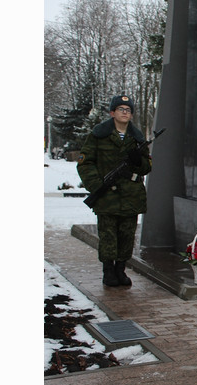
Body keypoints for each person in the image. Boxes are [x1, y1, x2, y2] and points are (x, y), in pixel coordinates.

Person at [77, 95, 152, 287]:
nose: (125, 113)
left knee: (127, 236)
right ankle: (108, 271)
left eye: (128, 110)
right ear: (112, 113)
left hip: (130, 196)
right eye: (121, 109)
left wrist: (138, 161)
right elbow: (85, 163)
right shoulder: (99, 134)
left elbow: (146, 167)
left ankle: (121, 269)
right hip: (107, 196)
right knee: (108, 235)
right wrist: (96, 185)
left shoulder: (137, 138)